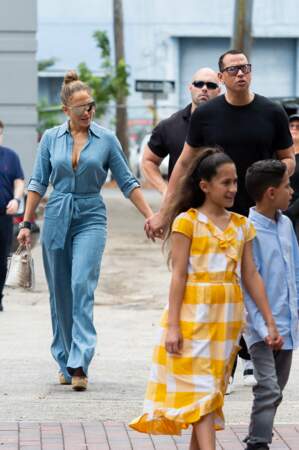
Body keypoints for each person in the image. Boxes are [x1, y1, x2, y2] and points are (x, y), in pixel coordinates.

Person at [145, 49, 294, 389]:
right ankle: (223, 361)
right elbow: (182, 165)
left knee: (257, 290)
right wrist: (165, 212)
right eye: (233, 69)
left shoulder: (272, 112)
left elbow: (289, 159)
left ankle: (249, 353)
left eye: (246, 68)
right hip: (215, 218)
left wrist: (271, 176)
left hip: (258, 217)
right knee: (220, 290)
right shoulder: (207, 115)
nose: (241, 74)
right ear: (222, 76)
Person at [130, 148, 282, 450]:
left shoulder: (242, 225)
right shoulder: (187, 222)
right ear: (204, 186)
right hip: (191, 318)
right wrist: (173, 326)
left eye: (235, 182)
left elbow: (251, 275)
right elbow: (179, 276)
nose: (233, 189)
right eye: (225, 183)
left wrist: (269, 320)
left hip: (226, 323)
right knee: (202, 393)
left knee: (210, 394)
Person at [18, 70, 153, 391]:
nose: (89, 112)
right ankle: (63, 358)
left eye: (91, 106)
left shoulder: (106, 139)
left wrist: (151, 215)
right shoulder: (51, 138)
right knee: (60, 291)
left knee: (81, 283)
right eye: (82, 108)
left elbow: (127, 182)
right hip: (56, 214)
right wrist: (26, 222)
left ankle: (80, 362)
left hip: (91, 214)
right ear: (67, 111)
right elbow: (38, 182)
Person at [244, 160, 299, 450]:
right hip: (260, 329)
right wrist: (264, 325)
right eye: (287, 185)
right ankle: (258, 443)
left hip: (288, 326)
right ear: (270, 192)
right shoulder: (247, 231)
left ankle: (256, 430)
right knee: (267, 387)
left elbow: (295, 272)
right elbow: (248, 287)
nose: (291, 191)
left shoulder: (286, 224)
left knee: (276, 390)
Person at [142, 68, 220, 193]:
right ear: (190, 87)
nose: (204, 88)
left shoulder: (229, 123)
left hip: (222, 208)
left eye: (211, 85)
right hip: (182, 208)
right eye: (199, 84)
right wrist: (166, 191)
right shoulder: (170, 125)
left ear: (219, 91)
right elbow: (148, 161)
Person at [0, 120, 25, 312]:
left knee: (1, 258)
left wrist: (16, 199)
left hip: (3, 215)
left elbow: (19, 181)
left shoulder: (11, 157)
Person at [284, 114, 299, 237]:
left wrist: (292, 211)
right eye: (291, 126)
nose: (294, 129)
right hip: (280, 209)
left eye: (298, 127)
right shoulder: (280, 155)